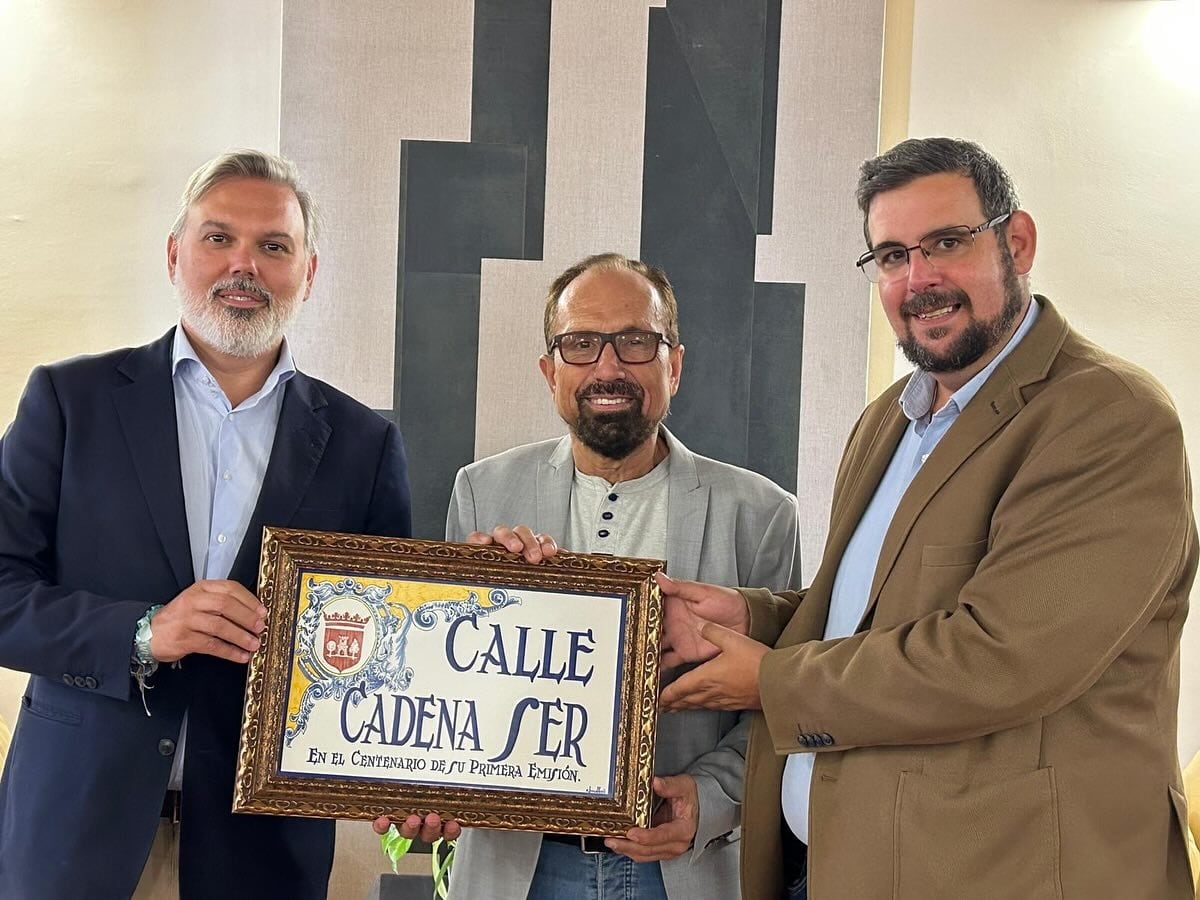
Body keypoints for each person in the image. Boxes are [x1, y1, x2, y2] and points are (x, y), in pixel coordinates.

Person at [657, 138, 1198, 899]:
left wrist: (771, 681)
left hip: (1011, 875)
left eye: (946, 242)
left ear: (1018, 242)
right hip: (842, 868)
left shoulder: (1108, 416)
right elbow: (878, 614)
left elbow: (1001, 656)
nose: (920, 279)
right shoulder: (893, 419)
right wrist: (752, 617)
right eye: (890, 256)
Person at [0, 150, 412, 899]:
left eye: (274, 246)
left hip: (260, 859)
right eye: (218, 238)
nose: (243, 265)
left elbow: (389, 652)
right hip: (72, 838)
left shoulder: (364, 446)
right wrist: (139, 633)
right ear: (174, 254)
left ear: (309, 273)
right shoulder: (70, 402)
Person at [376, 253, 802, 899]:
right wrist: (428, 788)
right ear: (550, 372)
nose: (608, 366)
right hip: (516, 869)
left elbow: (780, 701)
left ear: (674, 365)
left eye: (636, 342)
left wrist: (707, 799)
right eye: (581, 344)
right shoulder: (482, 491)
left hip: (682, 869)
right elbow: (444, 689)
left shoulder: (762, 513)